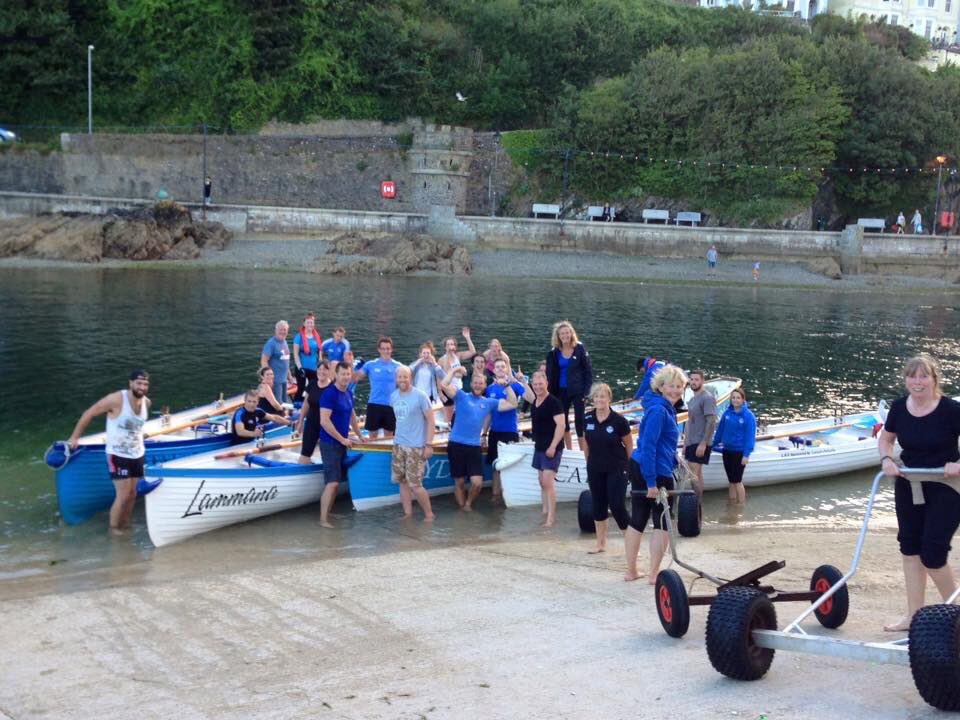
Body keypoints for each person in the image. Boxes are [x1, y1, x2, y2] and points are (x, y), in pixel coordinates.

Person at [878, 354, 960, 633]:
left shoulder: (951, 409)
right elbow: (886, 438)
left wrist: (958, 464)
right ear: (906, 380)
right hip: (909, 482)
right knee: (910, 549)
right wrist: (887, 460)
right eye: (912, 376)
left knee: (933, 552)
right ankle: (914, 615)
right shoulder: (900, 408)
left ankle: (954, 613)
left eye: (923, 375)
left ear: (934, 379)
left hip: (946, 484)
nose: (917, 381)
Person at [624, 365, 687, 583]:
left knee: (639, 517)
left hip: (647, 465)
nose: (676, 390)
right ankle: (652, 574)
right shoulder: (660, 410)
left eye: (679, 386)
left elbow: (659, 444)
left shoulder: (660, 406)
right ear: (660, 387)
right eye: (671, 386)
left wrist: (673, 456)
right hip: (653, 471)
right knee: (663, 520)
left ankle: (632, 571)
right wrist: (651, 482)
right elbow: (649, 445)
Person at [68, 370, 152, 531]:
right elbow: (89, 413)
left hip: (137, 453)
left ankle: (125, 525)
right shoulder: (116, 399)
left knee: (133, 494)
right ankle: (114, 530)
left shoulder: (146, 403)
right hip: (117, 454)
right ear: (131, 383)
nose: (142, 387)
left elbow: (137, 426)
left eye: (145, 384)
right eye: (139, 383)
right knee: (123, 495)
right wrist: (74, 438)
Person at [441, 366, 518, 511]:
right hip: (456, 444)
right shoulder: (461, 396)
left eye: (480, 383)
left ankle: (468, 504)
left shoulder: (489, 402)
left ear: (485, 386)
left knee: (477, 483)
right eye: (475, 383)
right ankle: (462, 509)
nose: (477, 385)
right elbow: (444, 385)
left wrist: (507, 386)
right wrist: (454, 370)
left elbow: (513, 403)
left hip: (474, 447)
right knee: (460, 481)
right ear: (471, 384)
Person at [581, 382, 633, 554]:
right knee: (598, 505)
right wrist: (588, 463)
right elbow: (586, 444)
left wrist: (629, 467)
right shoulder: (587, 418)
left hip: (617, 467)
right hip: (595, 467)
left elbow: (629, 446)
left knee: (617, 505)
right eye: (596, 396)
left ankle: (631, 544)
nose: (599, 399)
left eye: (602, 396)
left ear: (609, 398)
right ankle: (601, 544)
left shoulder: (619, 421)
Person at [317, 362, 363, 527]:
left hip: (342, 442)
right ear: (335, 375)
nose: (346, 377)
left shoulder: (349, 393)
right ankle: (323, 520)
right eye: (343, 374)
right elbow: (324, 421)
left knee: (337, 483)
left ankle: (328, 514)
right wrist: (342, 439)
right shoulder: (330, 394)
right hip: (330, 443)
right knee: (333, 482)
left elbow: (352, 415)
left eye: (348, 374)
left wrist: (359, 436)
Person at [390, 366, 437, 521]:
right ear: (396, 379)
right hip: (398, 445)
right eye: (400, 377)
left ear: (410, 378)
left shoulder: (420, 396)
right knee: (402, 482)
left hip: (416, 447)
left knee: (415, 485)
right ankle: (408, 514)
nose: (402, 380)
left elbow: (431, 420)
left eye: (405, 376)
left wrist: (429, 444)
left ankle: (429, 515)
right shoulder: (394, 396)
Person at [520, 370, 566, 527]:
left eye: (541, 384)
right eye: (535, 384)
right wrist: (520, 380)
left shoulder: (554, 402)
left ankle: (551, 519)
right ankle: (545, 511)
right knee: (541, 482)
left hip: (552, 447)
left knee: (548, 482)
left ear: (547, 383)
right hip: (539, 447)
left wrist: (553, 446)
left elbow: (561, 425)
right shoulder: (535, 402)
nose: (538, 387)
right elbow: (526, 393)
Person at [545, 320, 593, 451]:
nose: (565, 336)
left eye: (567, 333)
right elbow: (549, 373)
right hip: (561, 390)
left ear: (571, 333)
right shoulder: (554, 352)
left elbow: (588, 371)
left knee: (579, 422)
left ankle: (583, 451)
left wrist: (586, 392)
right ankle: (569, 449)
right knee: (563, 421)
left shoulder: (580, 348)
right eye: (562, 334)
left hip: (578, 390)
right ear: (558, 336)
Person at [485, 358, 528, 500]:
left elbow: (530, 398)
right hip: (494, 431)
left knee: (509, 466)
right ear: (494, 370)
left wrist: (522, 381)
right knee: (495, 466)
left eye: (503, 367)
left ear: (506, 369)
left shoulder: (514, 385)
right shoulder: (489, 389)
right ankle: (495, 495)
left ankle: (510, 496)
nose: (500, 369)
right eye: (497, 367)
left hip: (510, 430)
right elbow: (488, 414)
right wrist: (484, 433)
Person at [712, 387, 756, 504]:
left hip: (739, 452)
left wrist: (746, 455)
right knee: (731, 480)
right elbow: (720, 431)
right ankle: (732, 505)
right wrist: (711, 444)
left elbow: (750, 437)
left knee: (737, 481)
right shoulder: (727, 413)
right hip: (727, 451)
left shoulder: (748, 416)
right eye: (733, 398)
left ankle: (741, 505)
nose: (735, 400)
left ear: (743, 400)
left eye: (738, 398)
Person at [355, 336, 402, 438]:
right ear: (379, 350)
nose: (386, 351)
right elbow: (356, 378)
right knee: (372, 435)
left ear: (391, 349)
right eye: (383, 348)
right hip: (374, 404)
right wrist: (351, 365)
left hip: (391, 405)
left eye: (388, 348)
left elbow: (405, 384)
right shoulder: (370, 365)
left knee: (389, 436)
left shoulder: (398, 366)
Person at [682, 369, 717, 497]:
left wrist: (703, 443)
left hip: (700, 442)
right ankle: (698, 505)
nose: (693, 382)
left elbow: (712, 421)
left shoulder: (707, 398)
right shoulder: (692, 399)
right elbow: (689, 423)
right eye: (691, 379)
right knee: (696, 473)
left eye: (697, 379)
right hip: (692, 442)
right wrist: (685, 443)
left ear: (703, 381)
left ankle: (695, 504)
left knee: (693, 474)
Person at [438, 327, 477, 423]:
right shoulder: (442, 360)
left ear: (455, 346)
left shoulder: (458, 356)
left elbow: (473, 352)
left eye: (452, 344)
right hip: (447, 390)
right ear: (445, 347)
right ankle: (447, 430)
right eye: (448, 344)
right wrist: (440, 393)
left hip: (458, 389)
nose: (450, 346)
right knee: (449, 416)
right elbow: (439, 377)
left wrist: (467, 337)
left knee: (459, 413)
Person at [296, 362, 332, 464]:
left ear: (329, 372)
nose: (321, 372)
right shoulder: (312, 383)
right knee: (305, 454)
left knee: (326, 454)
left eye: (324, 369)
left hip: (327, 426)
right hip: (311, 424)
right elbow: (306, 404)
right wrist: (300, 422)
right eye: (319, 369)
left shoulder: (332, 387)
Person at [292, 312, 323, 401]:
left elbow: (319, 351)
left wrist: (320, 365)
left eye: (312, 322)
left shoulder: (316, 337)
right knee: (301, 388)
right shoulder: (298, 337)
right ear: (304, 324)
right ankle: (296, 405)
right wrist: (300, 367)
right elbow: (296, 354)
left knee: (313, 388)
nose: (310, 324)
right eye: (308, 322)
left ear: (314, 324)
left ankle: (310, 405)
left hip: (314, 368)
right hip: (302, 368)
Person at [261, 320, 294, 402]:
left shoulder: (285, 342)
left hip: (284, 380)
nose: (283, 332)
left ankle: (284, 414)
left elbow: (285, 360)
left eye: (285, 330)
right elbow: (264, 361)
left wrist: (289, 376)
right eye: (281, 329)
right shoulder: (271, 343)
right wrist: (268, 378)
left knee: (284, 402)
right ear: (276, 330)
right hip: (275, 381)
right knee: (278, 403)